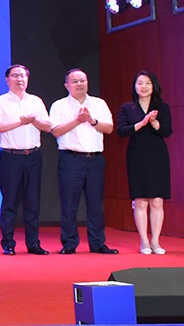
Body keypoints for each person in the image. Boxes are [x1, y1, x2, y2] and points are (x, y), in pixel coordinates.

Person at [50, 68, 118, 254]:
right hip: (71, 159)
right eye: (75, 81)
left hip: (95, 159)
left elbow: (109, 128)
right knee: (69, 204)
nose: (79, 84)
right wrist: (78, 120)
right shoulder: (59, 105)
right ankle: (69, 243)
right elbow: (56, 131)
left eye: (82, 80)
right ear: (67, 85)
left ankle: (98, 243)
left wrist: (92, 120)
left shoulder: (98, 103)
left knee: (96, 204)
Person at [0, 64, 51, 255]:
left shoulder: (36, 101)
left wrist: (34, 121)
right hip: (10, 157)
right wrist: (20, 121)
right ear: (7, 80)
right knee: (9, 202)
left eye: (23, 76)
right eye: (15, 76)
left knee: (32, 202)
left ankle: (33, 243)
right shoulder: (0, 102)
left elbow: (48, 126)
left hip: (33, 156)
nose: (20, 79)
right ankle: (8, 243)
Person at [116, 70, 173, 255]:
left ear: (153, 86)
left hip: (157, 156)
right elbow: (121, 130)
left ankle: (156, 241)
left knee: (157, 200)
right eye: (140, 83)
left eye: (147, 83)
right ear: (134, 86)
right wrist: (141, 123)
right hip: (136, 155)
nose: (144, 86)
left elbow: (167, 131)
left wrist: (155, 123)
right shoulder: (128, 107)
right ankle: (144, 242)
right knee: (140, 201)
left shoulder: (162, 106)